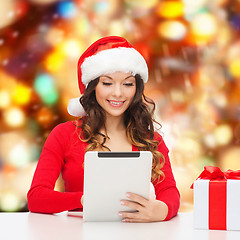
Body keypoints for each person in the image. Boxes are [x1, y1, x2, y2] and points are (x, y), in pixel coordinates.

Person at [27, 36, 180, 222]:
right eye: (107, 83)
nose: (118, 93)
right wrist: (84, 200)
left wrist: (162, 210)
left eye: (128, 83)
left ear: (137, 88)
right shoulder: (64, 134)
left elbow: (169, 191)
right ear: (92, 87)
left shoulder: (150, 138)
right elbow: (36, 198)